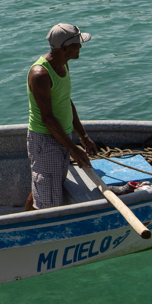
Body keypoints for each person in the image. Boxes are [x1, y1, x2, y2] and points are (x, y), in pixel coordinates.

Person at [23, 22, 99, 211]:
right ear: (65, 48)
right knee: (47, 200)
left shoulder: (63, 65)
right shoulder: (40, 74)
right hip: (47, 142)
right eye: (77, 44)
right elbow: (47, 119)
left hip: (63, 137)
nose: (80, 47)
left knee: (45, 188)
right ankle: (33, 232)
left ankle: (26, 218)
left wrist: (82, 136)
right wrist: (73, 148)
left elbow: (66, 101)